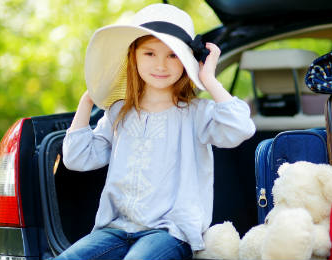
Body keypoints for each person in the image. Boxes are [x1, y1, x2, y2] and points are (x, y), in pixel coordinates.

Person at [57, 3, 255, 260]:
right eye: (149, 53)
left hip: (169, 232)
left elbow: (241, 127)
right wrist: (88, 99)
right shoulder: (119, 112)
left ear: (186, 62)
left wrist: (209, 79)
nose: (161, 65)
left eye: (173, 55)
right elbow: (78, 158)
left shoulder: (197, 113)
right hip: (115, 229)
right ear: (134, 56)